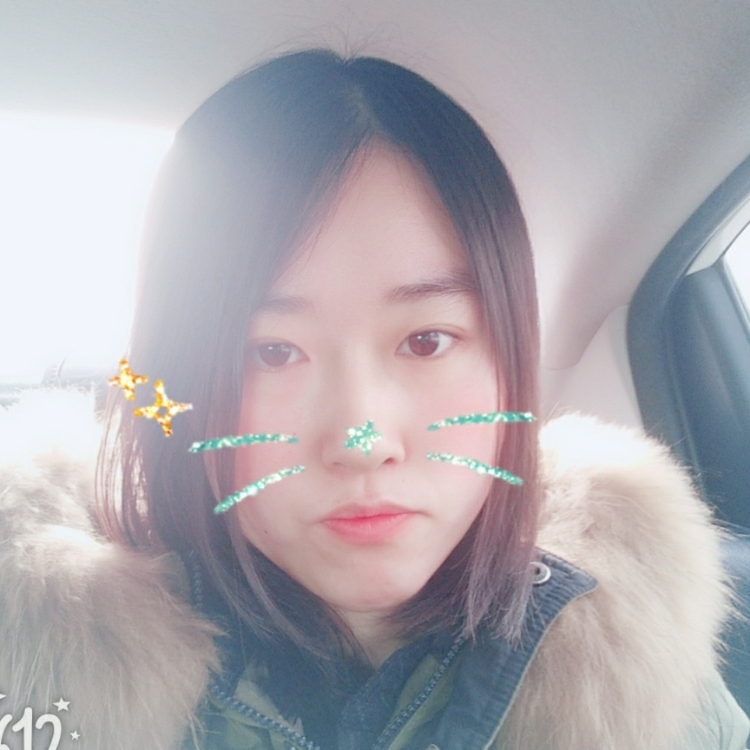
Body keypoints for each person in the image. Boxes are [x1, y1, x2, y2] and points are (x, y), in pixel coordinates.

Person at [0, 50, 747, 750]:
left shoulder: (649, 681)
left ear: (511, 361)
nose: (363, 442)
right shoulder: (38, 685)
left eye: (427, 340)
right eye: (272, 352)